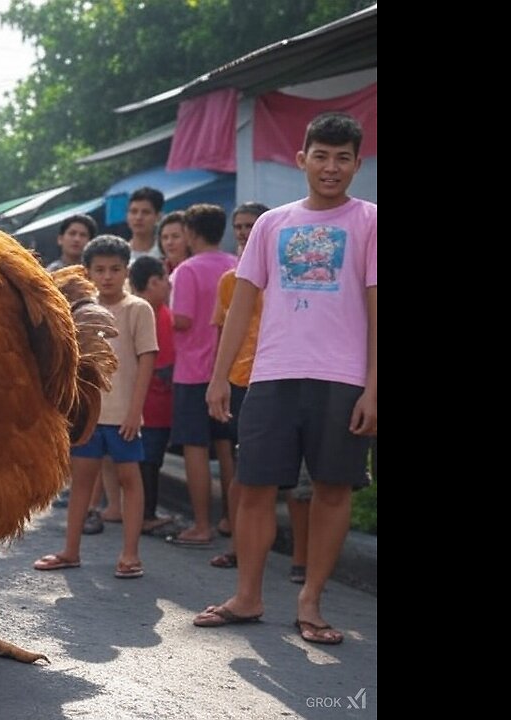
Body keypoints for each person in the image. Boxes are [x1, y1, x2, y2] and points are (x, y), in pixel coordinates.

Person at [195, 112, 376, 646]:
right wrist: (219, 376)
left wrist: (373, 385)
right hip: (271, 375)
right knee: (252, 486)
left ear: (357, 163)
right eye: (321, 155)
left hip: (341, 379)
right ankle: (247, 596)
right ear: (302, 160)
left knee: (332, 488)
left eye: (343, 157)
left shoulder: (368, 220)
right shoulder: (274, 223)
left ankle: (310, 602)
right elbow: (242, 303)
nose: (331, 167)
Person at [34, 237, 156, 578]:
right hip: (89, 415)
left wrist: (136, 411)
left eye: (115, 269)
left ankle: (130, 554)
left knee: (129, 479)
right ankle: (70, 550)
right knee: (82, 483)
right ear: (88, 274)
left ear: (126, 270)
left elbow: (147, 360)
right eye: (99, 270)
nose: (107, 277)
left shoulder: (138, 309)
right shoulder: (80, 311)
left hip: (124, 417)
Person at [165, 204, 237, 547]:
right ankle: (232, 521)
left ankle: (201, 525)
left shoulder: (186, 271)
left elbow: (182, 319)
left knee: (195, 446)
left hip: (193, 371)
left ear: (191, 233)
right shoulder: (236, 265)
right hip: (231, 370)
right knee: (227, 448)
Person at [208, 201, 270, 569]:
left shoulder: (283, 275)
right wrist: (219, 379)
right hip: (239, 380)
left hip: (277, 375)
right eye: (241, 227)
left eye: (252, 226)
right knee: (241, 466)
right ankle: (236, 544)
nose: (246, 233)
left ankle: (299, 560)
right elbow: (221, 330)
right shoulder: (229, 280)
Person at [128, 255, 176, 534]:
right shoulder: (148, 312)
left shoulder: (151, 310)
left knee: (147, 459)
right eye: (165, 280)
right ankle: (145, 515)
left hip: (151, 400)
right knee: (148, 460)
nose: (168, 286)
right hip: (152, 401)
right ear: (154, 281)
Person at [125, 187, 164, 262]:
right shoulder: (119, 256)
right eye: (134, 212)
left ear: (158, 217)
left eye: (146, 212)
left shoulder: (166, 254)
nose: (138, 217)